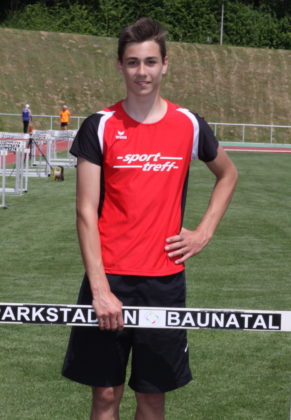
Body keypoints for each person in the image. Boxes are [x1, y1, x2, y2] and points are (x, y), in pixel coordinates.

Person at [62, 17, 238, 420]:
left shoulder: (189, 124)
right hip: (109, 279)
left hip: (164, 283)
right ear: (120, 66)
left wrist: (203, 232)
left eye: (150, 62)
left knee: (152, 398)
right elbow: (85, 211)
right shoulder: (100, 125)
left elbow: (228, 174)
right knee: (105, 394)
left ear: (165, 65)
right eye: (133, 62)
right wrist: (100, 289)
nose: (142, 72)